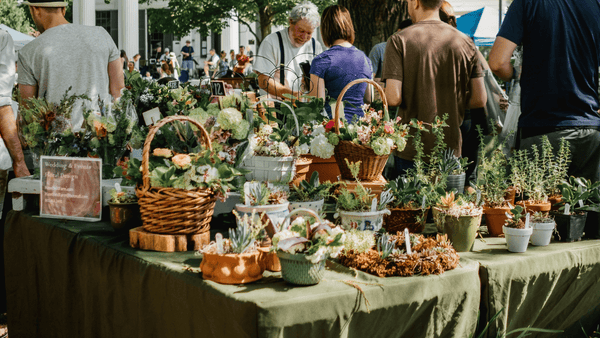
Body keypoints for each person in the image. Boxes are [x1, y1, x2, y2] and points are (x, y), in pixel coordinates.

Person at [489, 0, 600, 183]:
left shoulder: (527, 3)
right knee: (587, 207)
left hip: (542, 129)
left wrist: (516, 74)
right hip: (590, 131)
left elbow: (497, 62)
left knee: (540, 208)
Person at [382, 0, 486, 176]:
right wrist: (452, 99)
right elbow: (479, 99)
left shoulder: (399, 40)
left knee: (409, 203)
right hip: (450, 147)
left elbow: (393, 98)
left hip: (411, 149)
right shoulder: (466, 42)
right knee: (445, 203)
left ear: (415, 2)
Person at [18, 0, 124, 130]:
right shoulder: (102, 35)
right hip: (101, 138)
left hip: (55, 143)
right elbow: (118, 90)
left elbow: (28, 111)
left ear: (35, 9)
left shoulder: (28, 51)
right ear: (63, 9)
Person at [308, 5, 372, 122]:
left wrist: (305, 89)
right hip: (362, 129)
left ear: (325, 29)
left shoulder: (322, 60)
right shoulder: (365, 59)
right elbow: (369, 98)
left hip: (333, 127)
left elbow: (317, 104)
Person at [254, 1, 323, 100]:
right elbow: (264, 81)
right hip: (276, 108)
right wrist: (291, 95)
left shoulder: (315, 46)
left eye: (309, 32)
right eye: (301, 31)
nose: (304, 37)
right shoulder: (272, 42)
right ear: (291, 22)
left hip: (307, 109)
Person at [368, 19, 413, 84]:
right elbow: (369, 78)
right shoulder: (379, 49)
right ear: (399, 31)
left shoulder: (414, 53)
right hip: (382, 92)